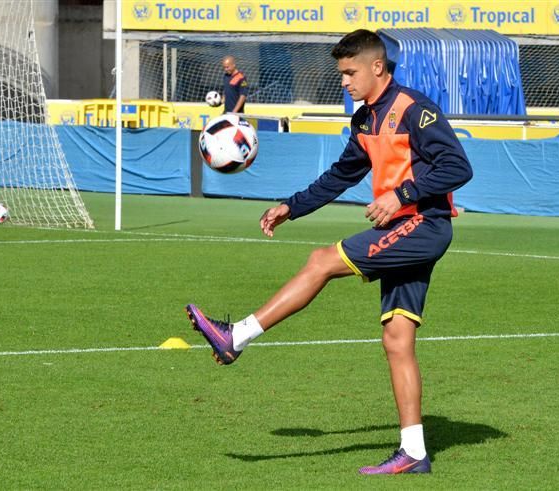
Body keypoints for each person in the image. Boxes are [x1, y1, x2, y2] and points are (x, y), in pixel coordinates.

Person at [186, 29, 472, 475]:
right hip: (403, 227)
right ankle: (414, 452)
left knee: (322, 260)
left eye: (349, 72)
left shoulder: (414, 110)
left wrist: (401, 196)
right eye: (341, 73)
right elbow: (341, 175)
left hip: (423, 225)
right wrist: (291, 207)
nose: (344, 81)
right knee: (397, 341)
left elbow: (458, 166)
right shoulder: (364, 120)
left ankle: (235, 337)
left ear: (377, 66)